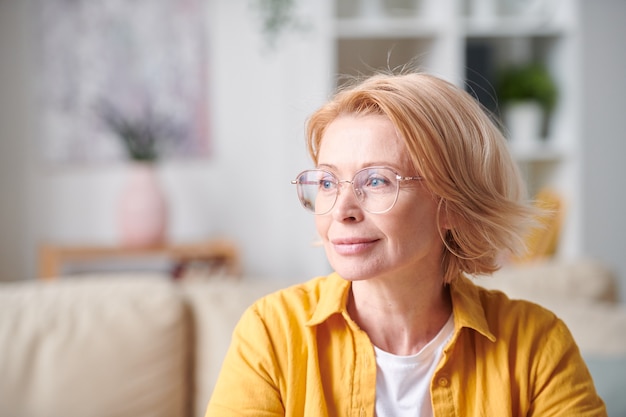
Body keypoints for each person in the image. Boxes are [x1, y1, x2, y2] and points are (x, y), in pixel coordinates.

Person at [206, 72, 606, 416]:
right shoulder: (272, 333)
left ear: (452, 205)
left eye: (377, 180)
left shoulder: (536, 345)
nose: (341, 210)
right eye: (327, 182)